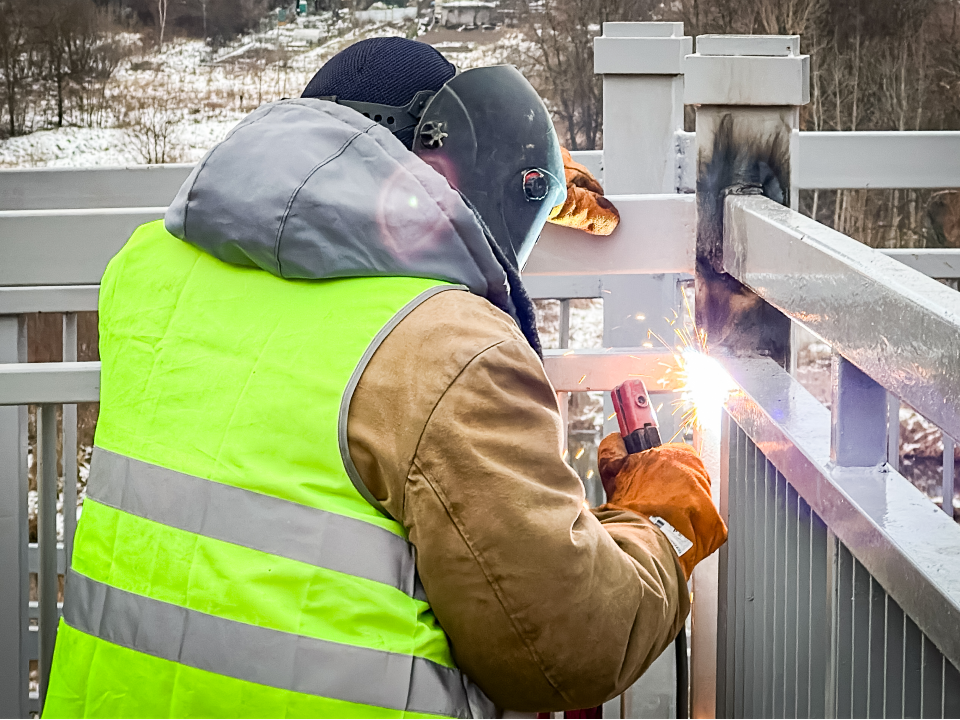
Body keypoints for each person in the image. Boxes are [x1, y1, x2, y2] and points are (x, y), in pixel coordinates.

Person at [42, 38, 726, 718]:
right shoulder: (446, 347)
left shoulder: (146, 273)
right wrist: (653, 524)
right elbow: (564, 646)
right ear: (431, 165)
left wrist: (520, 177)